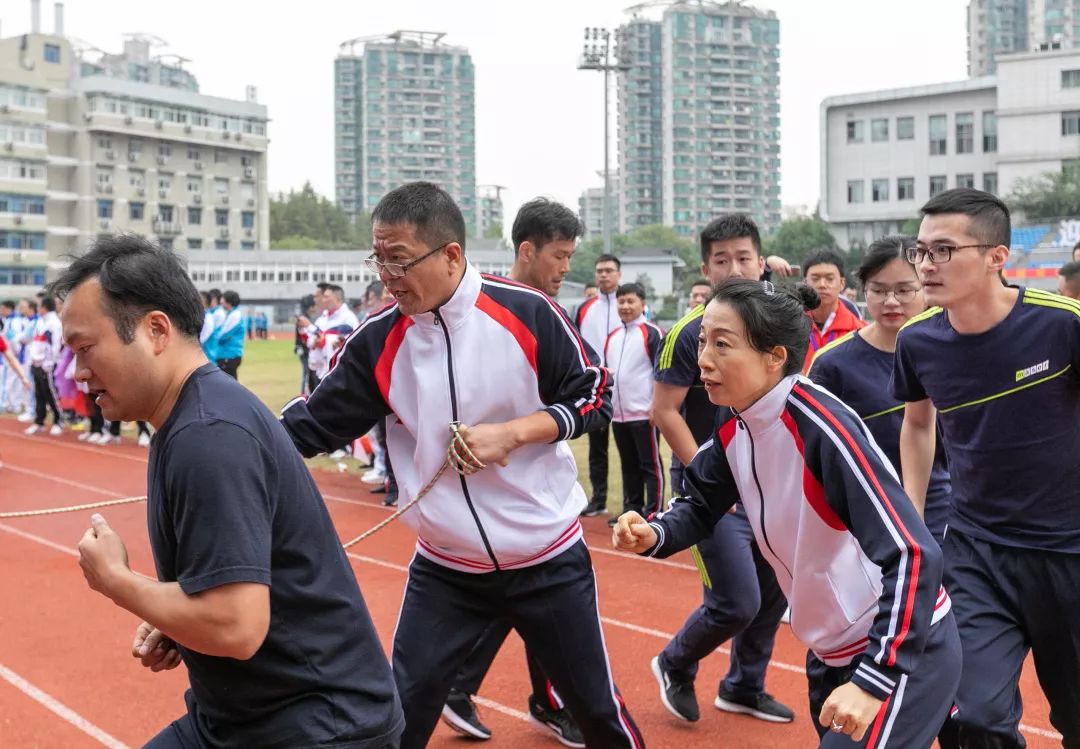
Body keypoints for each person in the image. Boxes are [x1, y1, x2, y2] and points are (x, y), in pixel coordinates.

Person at [281, 182, 645, 749]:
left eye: (399, 260)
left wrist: (515, 432)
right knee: (397, 716)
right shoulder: (378, 342)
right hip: (446, 570)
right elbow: (309, 425)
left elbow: (595, 395)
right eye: (378, 259)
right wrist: (223, 437)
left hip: (546, 558)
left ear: (451, 255)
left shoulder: (527, 312)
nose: (386, 275)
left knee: (598, 714)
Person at [58, 235, 404, 749]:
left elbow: (236, 626)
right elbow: (229, 589)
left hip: (317, 728)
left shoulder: (209, 434)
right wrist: (177, 618)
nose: (77, 372)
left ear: (156, 330)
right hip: (243, 717)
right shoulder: (192, 418)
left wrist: (116, 580)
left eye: (86, 348)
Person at [616, 278, 960, 747]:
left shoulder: (822, 427)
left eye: (722, 344)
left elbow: (913, 552)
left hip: (893, 648)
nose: (703, 361)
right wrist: (654, 534)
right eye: (702, 342)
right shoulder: (739, 419)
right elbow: (701, 502)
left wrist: (874, 679)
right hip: (830, 651)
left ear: (774, 356)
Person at [895, 188, 1080, 747]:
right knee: (971, 717)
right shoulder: (918, 340)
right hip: (977, 551)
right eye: (921, 250)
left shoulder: (1063, 324)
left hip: (1069, 550)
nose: (926, 264)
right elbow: (919, 426)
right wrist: (912, 516)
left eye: (944, 250)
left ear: (997, 256)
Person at [439, 196, 587, 747]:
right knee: (537, 596)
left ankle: (464, 686)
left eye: (572, 255)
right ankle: (547, 703)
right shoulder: (482, 313)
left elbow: (586, 395)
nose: (566, 267)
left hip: (532, 488)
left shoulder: (550, 313)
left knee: (514, 597)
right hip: (494, 494)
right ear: (527, 250)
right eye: (560, 255)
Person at [649, 214, 794, 725]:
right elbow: (664, 410)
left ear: (761, 261)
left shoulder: (779, 323)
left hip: (772, 486)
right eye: (721, 259)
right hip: (715, 492)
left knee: (774, 594)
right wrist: (710, 480)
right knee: (736, 601)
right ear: (705, 268)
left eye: (743, 257)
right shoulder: (690, 332)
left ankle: (743, 686)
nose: (734, 268)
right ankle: (675, 662)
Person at [808, 236, 952, 541]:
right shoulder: (832, 365)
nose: (891, 301)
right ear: (863, 291)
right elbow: (817, 452)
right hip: (865, 512)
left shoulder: (950, 349)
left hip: (941, 505)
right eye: (879, 290)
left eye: (903, 289)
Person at [604, 281, 664, 526]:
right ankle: (632, 508)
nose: (625, 306)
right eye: (621, 301)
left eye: (631, 301)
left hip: (644, 412)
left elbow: (661, 372)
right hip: (619, 415)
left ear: (642, 304)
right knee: (628, 465)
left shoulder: (652, 333)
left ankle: (654, 512)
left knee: (650, 465)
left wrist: (656, 406)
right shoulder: (612, 337)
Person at [575, 254, 622, 517]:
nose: (603, 275)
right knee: (597, 447)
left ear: (619, 274)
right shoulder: (585, 308)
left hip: (626, 389)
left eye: (609, 270)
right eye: (600, 271)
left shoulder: (628, 304)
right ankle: (599, 498)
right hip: (596, 387)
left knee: (631, 449)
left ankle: (634, 502)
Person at [801, 250, 865, 372]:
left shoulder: (860, 332)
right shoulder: (790, 328)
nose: (822, 285)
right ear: (805, 283)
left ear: (842, 283)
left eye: (829, 279)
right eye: (815, 279)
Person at [25, 295, 65, 435]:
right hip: (36, 363)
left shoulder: (55, 323)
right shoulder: (40, 322)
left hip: (48, 365)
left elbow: (56, 345)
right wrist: (32, 359)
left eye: (40, 306)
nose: (38, 308)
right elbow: (36, 342)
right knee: (39, 394)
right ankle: (39, 421)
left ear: (44, 307)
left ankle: (58, 421)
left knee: (51, 394)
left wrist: (50, 362)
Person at [214, 290, 245, 379]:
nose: (221, 301)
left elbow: (224, 335)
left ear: (229, 301)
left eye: (223, 299)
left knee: (228, 384)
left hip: (229, 355)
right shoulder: (231, 314)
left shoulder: (234, 316)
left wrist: (214, 338)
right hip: (227, 354)